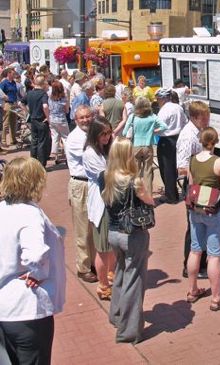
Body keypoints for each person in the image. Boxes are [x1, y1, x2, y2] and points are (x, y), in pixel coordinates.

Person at [0, 157, 66, 365]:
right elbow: (36, 253)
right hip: (26, 311)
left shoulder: (3, 208)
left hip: (5, 308)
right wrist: (39, 273)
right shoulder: (29, 214)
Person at [102, 137, 155, 344]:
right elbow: (150, 201)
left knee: (121, 273)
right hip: (132, 234)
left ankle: (116, 315)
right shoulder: (134, 180)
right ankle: (128, 330)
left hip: (113, 233)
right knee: (134, 280)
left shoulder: (106, 176)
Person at [185, 127, 220, 310]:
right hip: (215, 212)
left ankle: (192, 290)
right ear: (215, 142)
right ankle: (216, 298)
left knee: (195, 251)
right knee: (214, 256)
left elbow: (192, 185)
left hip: (196, 210)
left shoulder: (192, 160)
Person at [176, 101, 210, 279]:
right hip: (193, 186)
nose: (207, 121)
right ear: (195, 118)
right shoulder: (189, 136)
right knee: (194, 226)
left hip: (202, 184)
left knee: (202, 224)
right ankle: (189, 265)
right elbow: (181, 167)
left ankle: (200, 263)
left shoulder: (199, 132)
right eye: (205, 118)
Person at [64, 105, 98, 283]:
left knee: (94, 226)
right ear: (76, 120)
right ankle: (83, 267)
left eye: (88, 116)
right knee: (83, 229)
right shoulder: (75, 138)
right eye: (82, 118)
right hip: (81, 184)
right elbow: (92, 157)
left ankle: (94, 262)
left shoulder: (92, 132)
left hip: (93, 184)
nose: (85, 120)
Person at [83, 116, 115, 300]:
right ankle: (102, 286)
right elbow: (105, 175)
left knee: (112, 246)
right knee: (102, 249)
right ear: (95, 135)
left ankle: (111, 275)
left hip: (111, 202)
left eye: (109, 133)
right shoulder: (90, 153)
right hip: (101, 205)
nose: (107, 137)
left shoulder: (106, 149)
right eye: (103, 134)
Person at [122, 96, 167, 194]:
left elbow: (125, 132)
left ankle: (137, 196)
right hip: (148, 146)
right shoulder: (152, 116)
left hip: (136, 146)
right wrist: (153, 132)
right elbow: (164, 126)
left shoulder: (133, 117)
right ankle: (148, 197)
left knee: (136, 173)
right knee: (148, 172)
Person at [156, 87, 187, 204]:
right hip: (178, 138)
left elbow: (158, 126)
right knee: (175, 166)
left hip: (166, 141)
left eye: (158, 99)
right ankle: (176, 192)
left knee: (166, 168)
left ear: (162, 99)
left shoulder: (163, 110)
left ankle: (171, 196)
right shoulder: (178, 107)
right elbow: (185, 122)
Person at [22, 75, 51, 167]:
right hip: (41, 120)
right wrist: (48, 117)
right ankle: (42, 164)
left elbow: (21, 103)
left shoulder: (30, 93)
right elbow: (45, 106)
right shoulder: (43, 94)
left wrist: (28, 112)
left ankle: (33, 162)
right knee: (42, 142)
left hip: (33, 119)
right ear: (43, 84)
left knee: (34, 141)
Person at [48, 80, 70, 164]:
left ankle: (55, 155)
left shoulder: (50, 97)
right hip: (61, 119)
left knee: (55, 137)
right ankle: (68, 155)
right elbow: (67, 110)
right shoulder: (63, 98)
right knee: (65, 138)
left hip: (52, 119)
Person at [1, 68, 18, 148]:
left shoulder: (14, 82)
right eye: (13, 73)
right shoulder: (4, 83)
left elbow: (15, 92)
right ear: (8, 74)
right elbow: (0, 92)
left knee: (13, 122)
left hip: (14, 103)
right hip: (7, 104)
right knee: (6, 123)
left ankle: (13, 139)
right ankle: (3, 140)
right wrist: (4, 98)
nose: (14, 75)